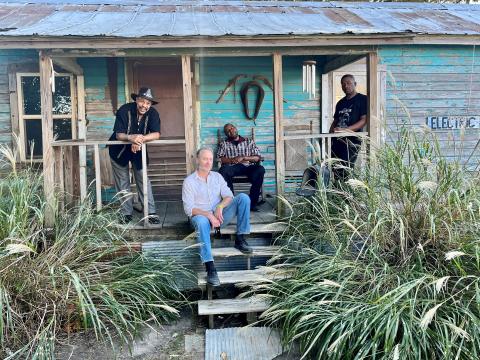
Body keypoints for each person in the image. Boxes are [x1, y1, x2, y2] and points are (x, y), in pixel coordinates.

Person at [182, 147, 253, 286]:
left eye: (210, 159)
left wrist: (220, 207)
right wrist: (208, 214)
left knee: (243, 198)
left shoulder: (217, 177)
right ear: (197, 160)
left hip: (218, 217)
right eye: (204, 159)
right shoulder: (189, 182)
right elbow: (188, 209)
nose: (208, 162)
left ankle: (240, 238)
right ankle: (210, 267)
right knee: (202, 222)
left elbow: (229, 196)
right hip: (200, 218)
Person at [108, 87, 161, 225]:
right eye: (142, 101)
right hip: (118, 150)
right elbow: (119, 135)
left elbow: (156, 134)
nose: (145, 105)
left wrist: (140, 139)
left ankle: (150, 212)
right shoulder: (124, 110)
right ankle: (126, 213)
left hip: (138, 149)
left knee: (143, 179)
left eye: (148, 103)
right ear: (137, 100)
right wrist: (131, 138)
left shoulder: (153, 113)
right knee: (123, 181)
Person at [217, 123, 265, 212]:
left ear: (236, 128)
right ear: (226, 134)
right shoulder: (224, 144)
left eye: (232, 128)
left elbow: (258, 157)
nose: (231, 130)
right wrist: (231, 160)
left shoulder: (249, 141)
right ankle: (230, 202)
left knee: (260, 169)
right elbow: (220, 158)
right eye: (228, 130)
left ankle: (252, 204)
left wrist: (244, 157)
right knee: (223, 170)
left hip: (248, 166)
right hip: (233, 167)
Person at [329, 74, 367, 182]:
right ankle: (337, 196)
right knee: (335, 168)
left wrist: (346, 130)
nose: (346, 86)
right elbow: (335, 121)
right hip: (337, 141)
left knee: (346, 169)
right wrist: (330, 134)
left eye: (349, 83)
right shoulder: (340, 103)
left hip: (352, 140)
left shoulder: (362, 99)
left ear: (355, 84)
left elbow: (364, 120)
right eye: (343, 84)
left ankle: (347, 197)